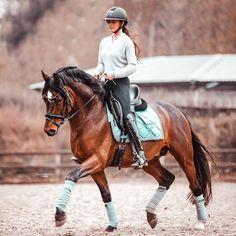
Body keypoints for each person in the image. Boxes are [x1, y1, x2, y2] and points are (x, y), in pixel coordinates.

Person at [94, 6, 148, 168]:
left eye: (113, 21)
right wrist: (97, 73)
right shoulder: (104, 42)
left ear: (122, 23)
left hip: (120, 84)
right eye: (108, 21)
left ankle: (140, 154)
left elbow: (133, 66)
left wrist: (115, 74)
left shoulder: (126, 42)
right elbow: (100, 64)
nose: (110, 24)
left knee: (126, 116)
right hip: (104, 84)